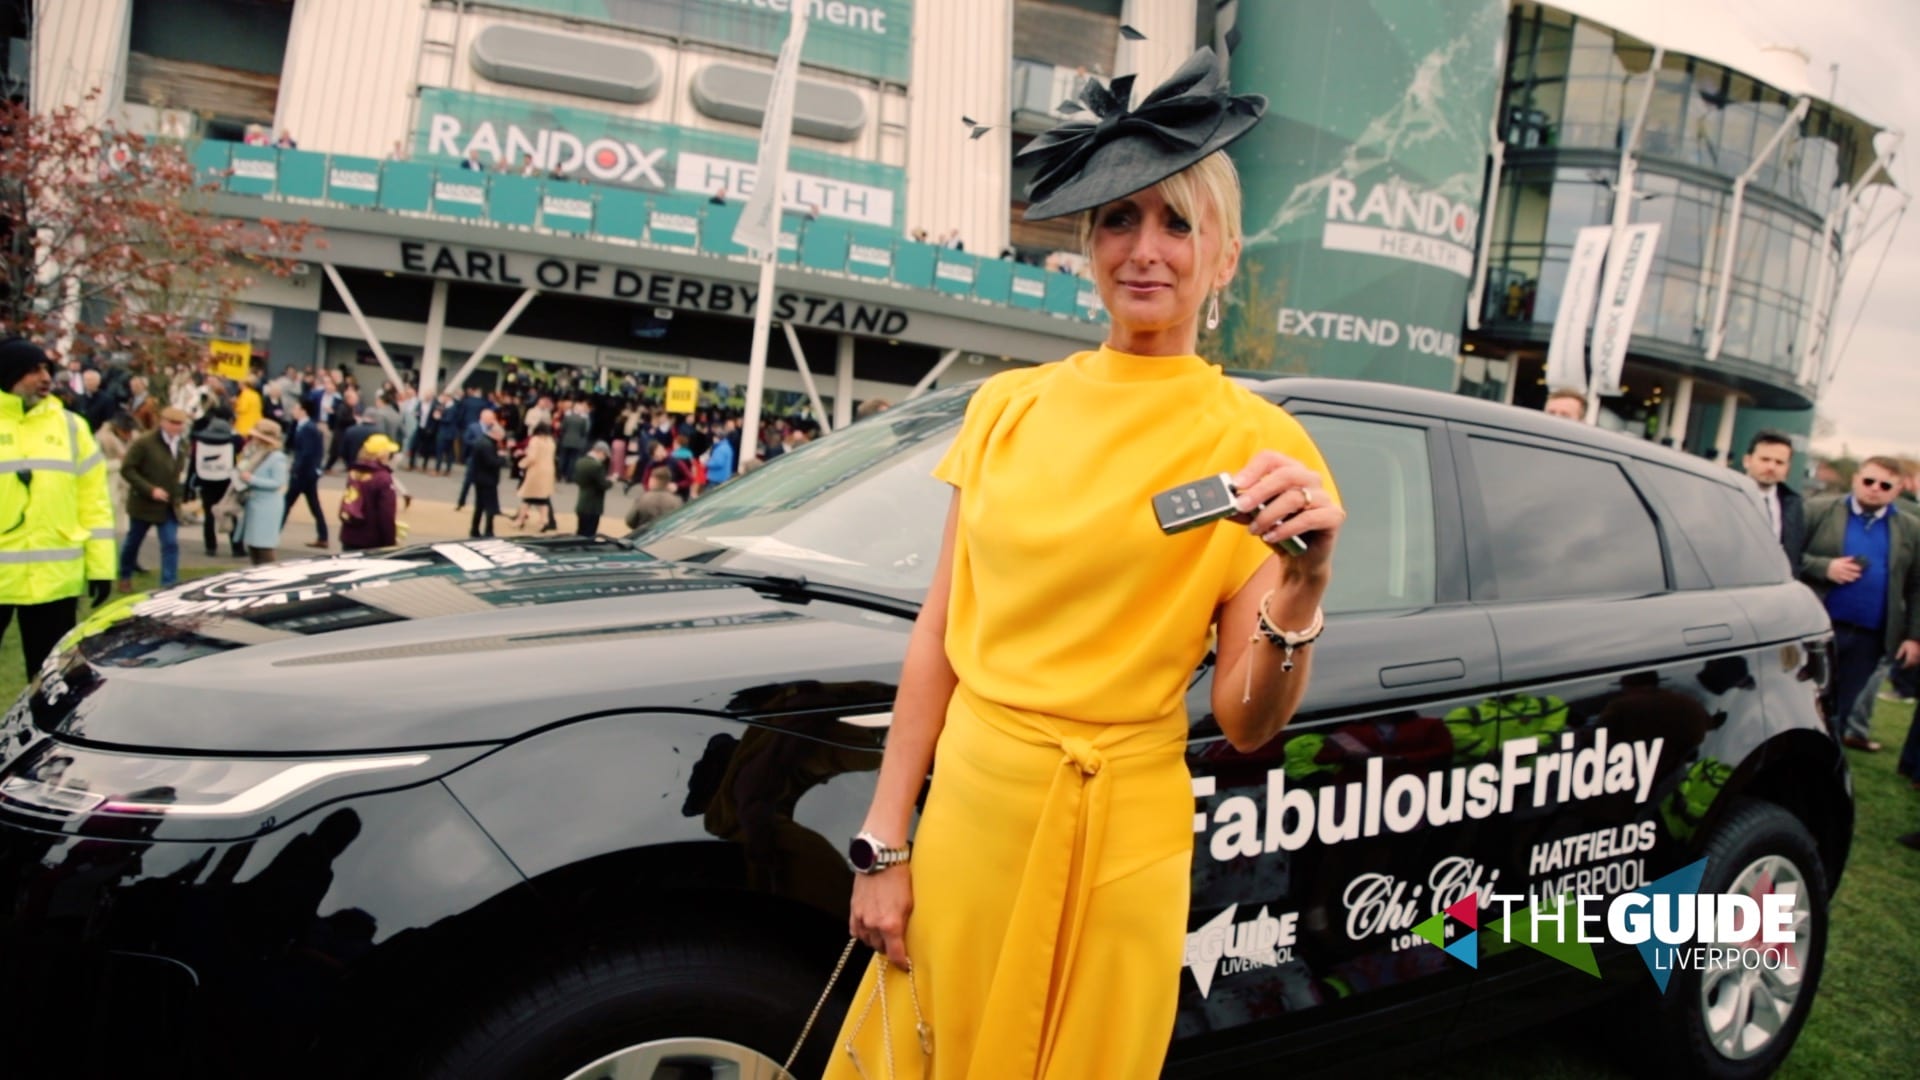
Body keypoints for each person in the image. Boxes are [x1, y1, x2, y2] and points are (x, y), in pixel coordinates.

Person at [827, 49, 1344, 1080]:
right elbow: (940, 631)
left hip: (1123, 838)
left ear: (1225, 256)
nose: (1144, 249)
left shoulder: (1261, 449)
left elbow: (1246, 721)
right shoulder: (1007, 408)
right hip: (976, 810)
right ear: (1087, 244)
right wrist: (886, 841)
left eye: (1177, 222)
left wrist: (1305, 583)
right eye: (1120, 219)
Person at [0, 339, 115, 680]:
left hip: (55, 580)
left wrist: (100, 566)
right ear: (9, 374)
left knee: (50, 680)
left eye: (47, 369)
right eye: (34, 369)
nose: (45, 377)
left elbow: (93, 501)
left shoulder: (72, 427)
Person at [1799, 456, 1920, 750]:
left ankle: (1823, 771)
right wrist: (1823, 567)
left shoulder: (1910, 528)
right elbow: (1784, 557)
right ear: (1856, 479)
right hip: (1818, 628)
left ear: (1897, 489)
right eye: (1869, 481)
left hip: (1870, 637)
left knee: (1840, 710)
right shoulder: (1818, 510)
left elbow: (1916, 586)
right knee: (1804, 701)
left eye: (1884, 485)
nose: (1875, 489)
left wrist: (1914, 637)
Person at [119, 406, 191, 591]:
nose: (177, 427)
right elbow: (127, 469)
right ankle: (124, 574)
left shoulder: (181, 444)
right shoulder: (144, 442)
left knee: (170, 544)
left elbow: (178, 471)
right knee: (133, 542)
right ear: (163, 422)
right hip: (144, 503)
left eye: (180, 424)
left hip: (168, 505)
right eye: (173, 423)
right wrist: (150, 489)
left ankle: (168, 584)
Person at [1742, 429, 1806, 568]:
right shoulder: (1727, 495)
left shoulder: (1794, 505)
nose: (1771, 467)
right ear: (1747, 460)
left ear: (1787, 468)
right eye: (1765, 459)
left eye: (1779, 462)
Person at [231, 419, 288, 564]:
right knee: (253, 546)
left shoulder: (277, 458)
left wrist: (252, 479)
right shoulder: (256, 453)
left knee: (264, 546)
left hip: (267, 506)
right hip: (254, 503)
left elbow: (278, 482)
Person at [189, 413, 242, 557]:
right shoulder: (232, 442)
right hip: (226, 482)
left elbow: (193, 463)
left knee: (209, 516)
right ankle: (237, 547)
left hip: (206, 482)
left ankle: (210, 547)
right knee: (230, 513)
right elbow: (240, 441)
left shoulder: (199, 442)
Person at [339, 434, 401, 551]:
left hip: (349, 534)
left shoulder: (354, 472)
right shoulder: (383, 478)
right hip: (371, 539)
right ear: (382, 454)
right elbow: (386, 513)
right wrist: (390, 542)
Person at [282, 398, 330, 549]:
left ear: (303, 411)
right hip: (307, 473)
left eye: (296, 408)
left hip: (303, 474)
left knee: (286, 503)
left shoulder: (308, 428)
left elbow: (307, 453)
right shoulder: (300, 426)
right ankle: (323, 536)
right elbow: (290, 444)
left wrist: (296, 468)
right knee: (313, 505)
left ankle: (272, 532)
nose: (293, 411)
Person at [513, 422, 558, 532]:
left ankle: (520, 520)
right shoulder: (551, 441)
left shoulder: (535, 441)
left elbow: (532, 457)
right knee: (543, 499)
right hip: (548, 471)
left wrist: (521, 464)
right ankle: (544, 521)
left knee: (527, 497)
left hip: (536, 472)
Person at [468, 423, 506, 539]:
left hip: (479, 478)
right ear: (495, 434)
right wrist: (502, 458)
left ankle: (475, 529)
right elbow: (491, 462)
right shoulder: (487, 445)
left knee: (479, 506)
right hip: (487, 480)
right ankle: (488, 531)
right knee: (490, 507)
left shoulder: (482, 441)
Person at [623, 467, 683, 531]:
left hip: (644, 536)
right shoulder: (676, 501)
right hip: (666, 538)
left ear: (653, 480)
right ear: (668, 482)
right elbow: (679, 523)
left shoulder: (643, 498)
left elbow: (630, 521)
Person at [573, 441, 613, 536]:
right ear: (600, 452)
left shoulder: (580, 462)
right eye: (604, 455)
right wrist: (611, 481)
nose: (604, 458)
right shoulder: (597, 466)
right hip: (593, 506)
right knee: (589, 534)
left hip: (582, 503)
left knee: (580, 532)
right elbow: (603, 485)